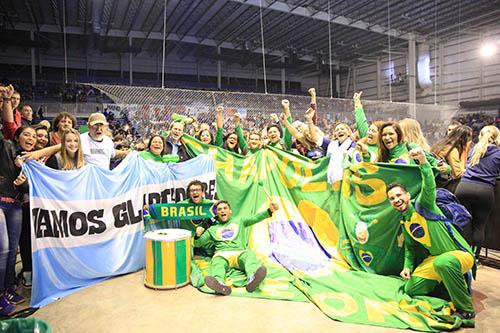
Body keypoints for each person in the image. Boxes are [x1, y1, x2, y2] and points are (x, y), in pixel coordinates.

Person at [387, 148, 476, 320]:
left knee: (445, 262)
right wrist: (407, 267)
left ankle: (466, 309)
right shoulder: (405, 222)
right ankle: (448, 284)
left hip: (460, 254)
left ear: (407, 195)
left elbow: (429, 183)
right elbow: (410, 249)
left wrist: (423, 162)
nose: (396, 200)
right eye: (392, 198)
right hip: (435, 260)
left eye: (399, 195)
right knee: (410, 289)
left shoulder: (423, 204)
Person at [194, 200, 279, 295]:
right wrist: (197, 235)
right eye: (219, 209)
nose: (222, 211)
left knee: (249, 256)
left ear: (230, 211)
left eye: (225, 208)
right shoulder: (212, 229)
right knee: (217, 264)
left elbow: (255, 218)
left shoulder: (240, 221)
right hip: (222, 254)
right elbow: (198, 243)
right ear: (216, 213)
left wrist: (269, 211)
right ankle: (219, 284)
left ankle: (252, 279)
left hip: (239, 253)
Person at [0, 125, 37, 315]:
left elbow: (28, 190)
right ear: (17, 137)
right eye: (26, 134)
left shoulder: (29, 162)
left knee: (12, 250)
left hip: (15, 207)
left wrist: (23, 185)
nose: (31, 138)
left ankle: (8, 290)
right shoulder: (5, 146)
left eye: (34, 136)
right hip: (1, 204)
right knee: (4, 249)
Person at [455, 125, 500, 258]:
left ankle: (459, 254)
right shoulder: (498, 153)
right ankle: (473, 258)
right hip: (484, 190)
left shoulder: (474, 149)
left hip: (464, 187)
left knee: (462, 223)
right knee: (479, 226)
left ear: (480, 136)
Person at [179, 180, 216, 256]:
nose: (195, 192)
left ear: (202, 193)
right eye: (192, 190)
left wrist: (218, 204)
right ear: (189, 193)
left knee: (214, 252)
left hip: (203, 237)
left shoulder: (209, 204)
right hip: (188, 238)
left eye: (198, 190)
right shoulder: (181, 205)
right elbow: (164, 210)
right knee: (187, 257)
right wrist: (151, 208)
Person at [431, 126, 472, 192]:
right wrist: (465, 150)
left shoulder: (441, 145)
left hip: (435, 181)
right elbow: (457, 174)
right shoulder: (451, 150)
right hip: (443, 184)